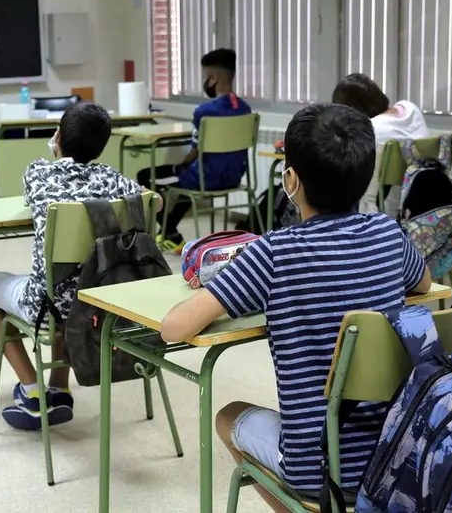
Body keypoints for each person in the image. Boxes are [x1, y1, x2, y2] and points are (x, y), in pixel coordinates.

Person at [159, 103, 431, 512]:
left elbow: (173, 328)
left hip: (317, 466)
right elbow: (424, 282)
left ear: (290, 180)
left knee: (227, 415)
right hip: (399, 454)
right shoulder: (387, 234)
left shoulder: (274, 253)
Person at [0, 102, 152, 431]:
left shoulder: (38, 172)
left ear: (58, 136)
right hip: (102, 303)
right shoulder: (113, 179)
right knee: (75, 282)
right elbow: (151, 198)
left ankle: (31, 392)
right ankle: (59, 387)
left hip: (48, 307)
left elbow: (34, 199)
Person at [137, 48, 251, 254]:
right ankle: (170, 232)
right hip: (234, 178)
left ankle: (169, 231)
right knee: (180, 178)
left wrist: (180, 164)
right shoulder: (244, 108)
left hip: (205, 179)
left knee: (147, 176)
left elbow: (194, 153)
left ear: (212, 78)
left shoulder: (204, 112)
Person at [331, 73, 430, 216]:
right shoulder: (410, 109)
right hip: (420, 207)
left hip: (381, 213)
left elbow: (368, 195)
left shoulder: (373, 129)